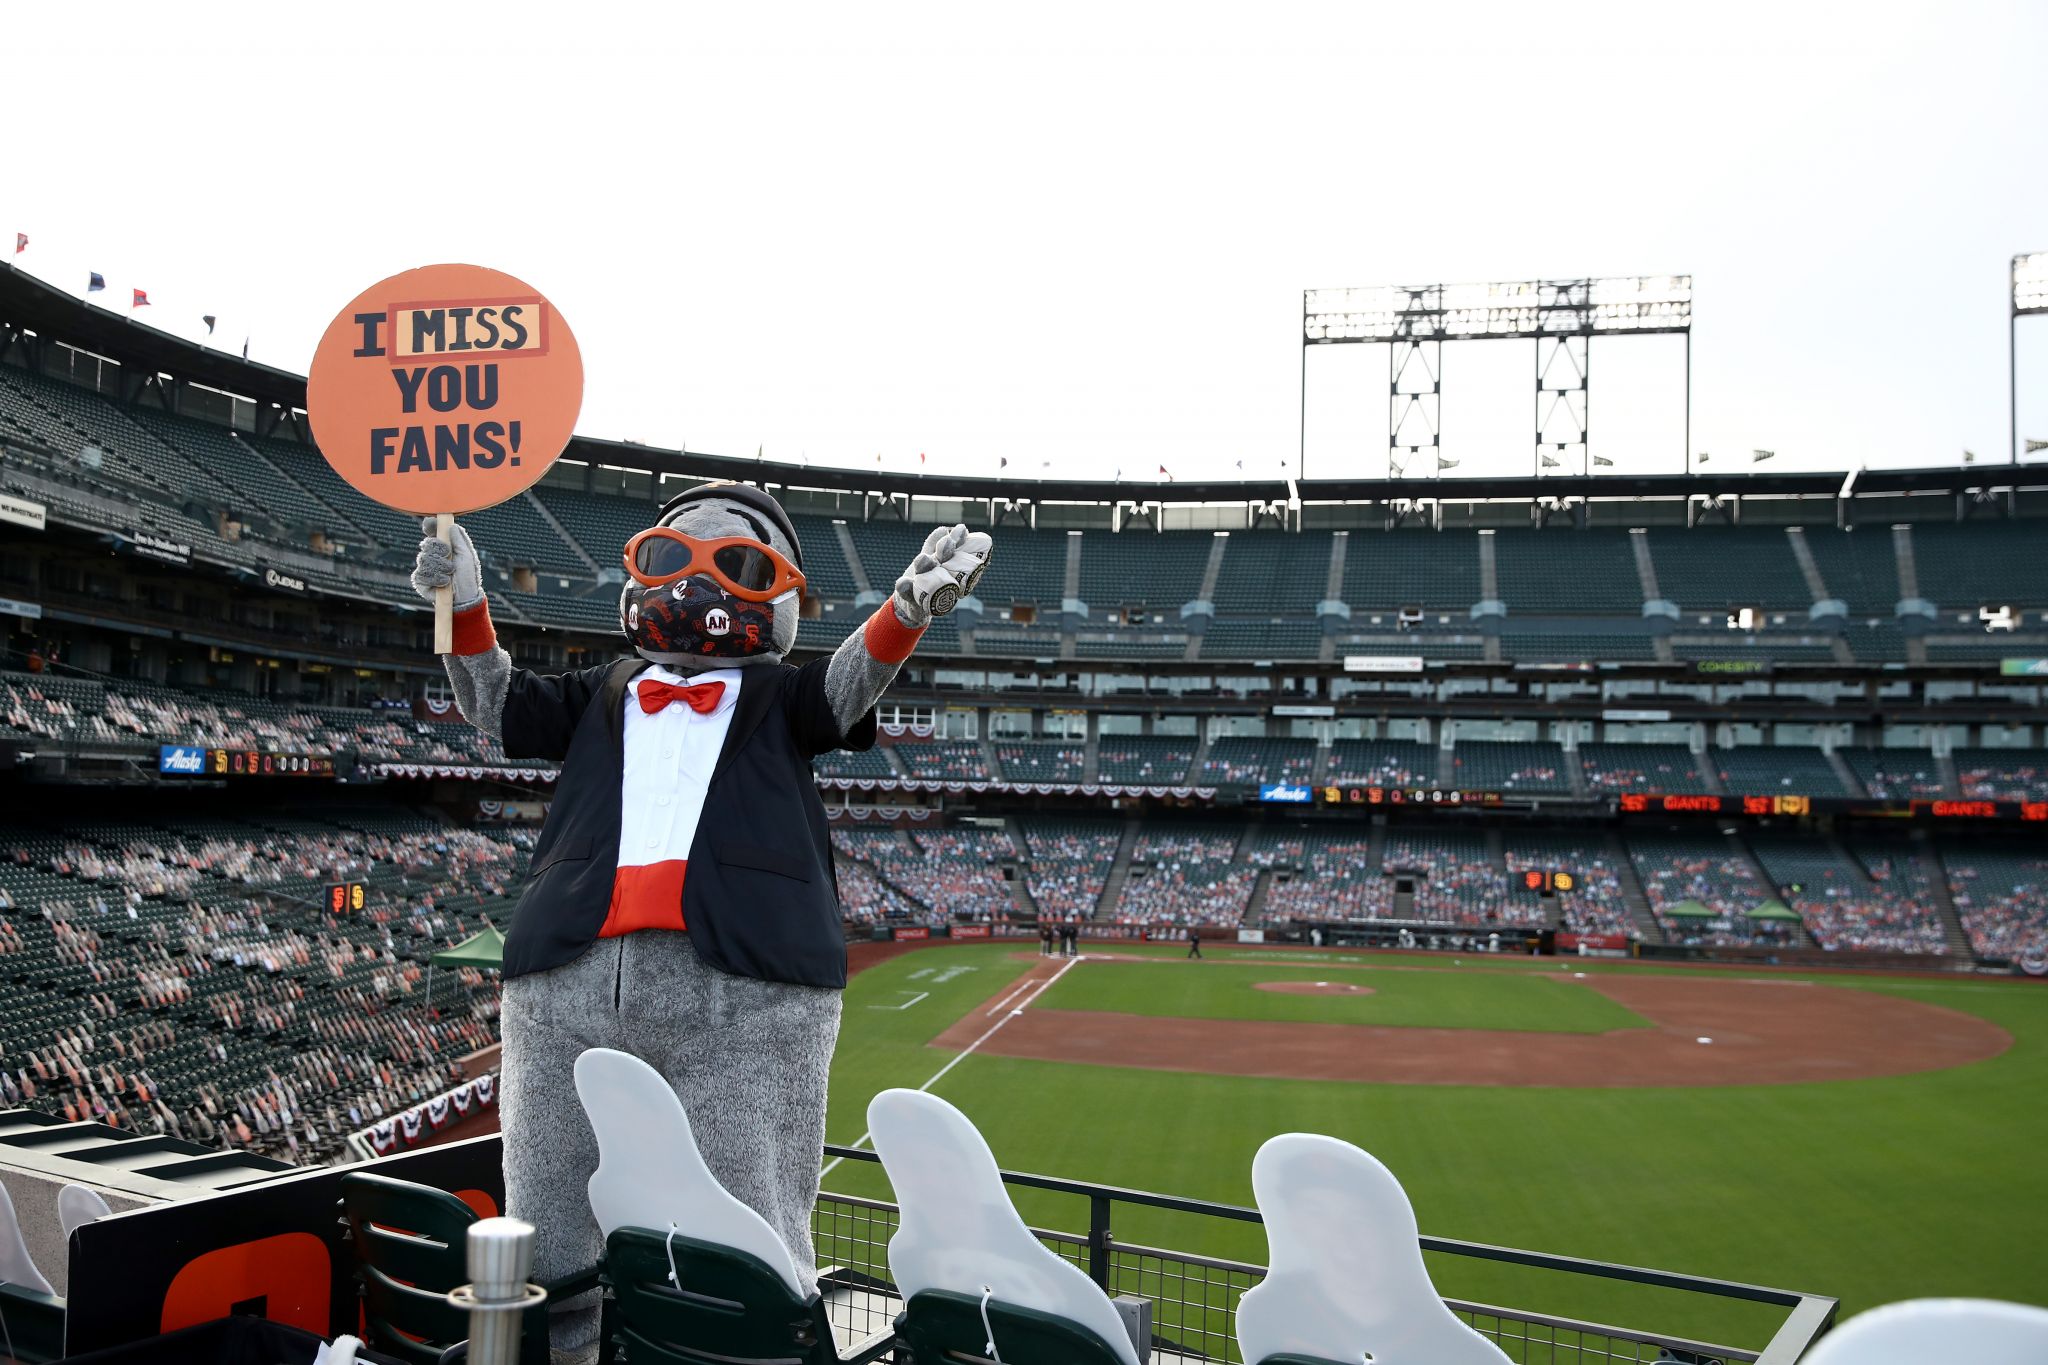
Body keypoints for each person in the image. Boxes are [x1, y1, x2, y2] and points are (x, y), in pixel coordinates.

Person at [411, 483, 991, 1361]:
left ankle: (752, 1346)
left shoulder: (778, 696)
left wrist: (903, 615)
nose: (697, 588)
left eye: (737, 563)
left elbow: (842, 690)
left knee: (745, 1214)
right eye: (672, 559)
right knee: (551, 1215)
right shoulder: (601, 690)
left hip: (743, 986)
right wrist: (467, 605)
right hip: (566, 970)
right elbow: (499, 706)